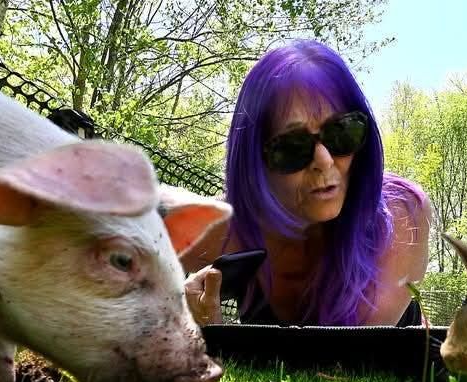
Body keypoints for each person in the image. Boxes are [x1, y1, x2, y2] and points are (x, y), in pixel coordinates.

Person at [177, 40, 432, 327]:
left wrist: (219, 340)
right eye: (292, 146)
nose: (324, 160)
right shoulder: (226, 229)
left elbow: (353, 359)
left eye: (342, 132)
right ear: (254, 163)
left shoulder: (402, 213)